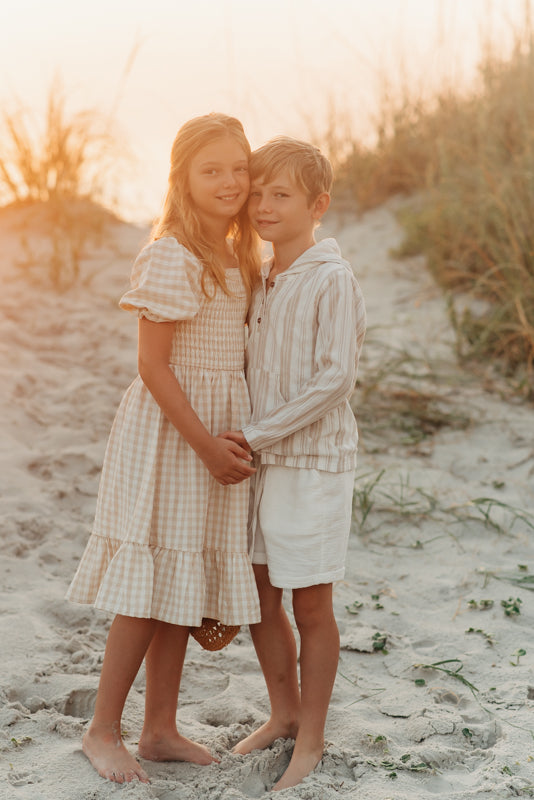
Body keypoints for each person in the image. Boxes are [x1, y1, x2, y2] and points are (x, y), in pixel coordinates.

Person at [66, 113, 262, 784]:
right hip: (173, 435)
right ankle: (102, 729)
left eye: (239, 168)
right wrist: (205, 445)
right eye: (212, 170)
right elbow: (152, 365)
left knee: (183, 581)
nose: (229, 182)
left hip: (215, 433)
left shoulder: (238, 253)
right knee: (149, 587)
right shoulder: (172, 253)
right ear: (182, 177)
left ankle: (158, 728)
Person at [222, 136, 367, 790]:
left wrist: (256, 434)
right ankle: (283, 713)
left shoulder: (332, 277)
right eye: (257, 193)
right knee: (258, 595)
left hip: (311, 463)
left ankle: (311, 737)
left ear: (318, 205)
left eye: (280, 194)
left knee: (311, 604)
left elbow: (335, 378)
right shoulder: (260, 275)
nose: (263, 205)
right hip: (261, 465)